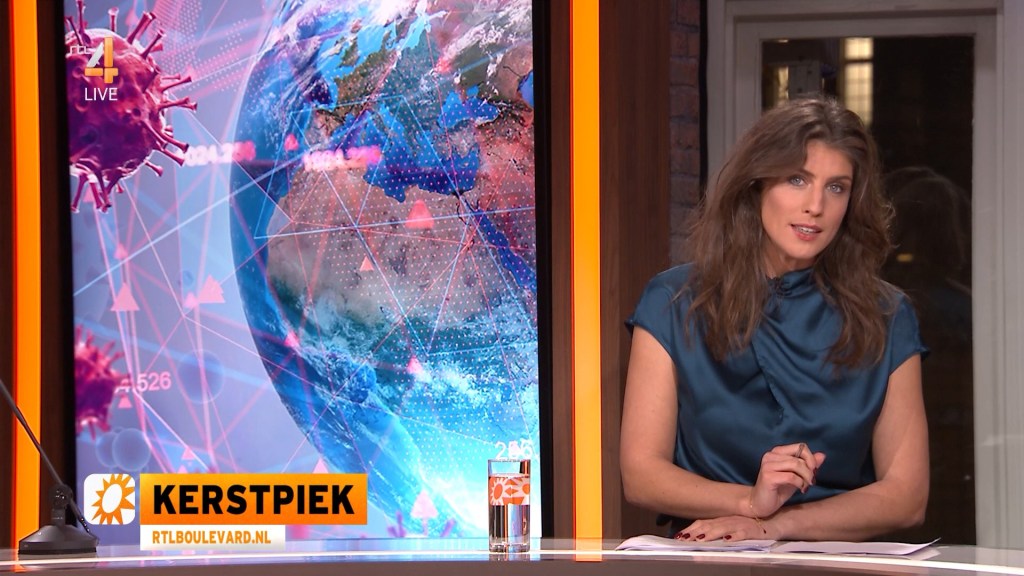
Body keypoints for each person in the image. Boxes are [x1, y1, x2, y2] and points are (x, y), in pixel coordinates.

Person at [620, 96, 929, 542]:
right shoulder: (674, 301)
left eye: (836, 187)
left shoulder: (887, 315)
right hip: (709, 556)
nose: (815, 206)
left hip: (832, 561)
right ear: (756, 184)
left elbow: (907, 496)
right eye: (797, 179)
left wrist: (772, 525)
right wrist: (749, 502)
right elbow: (641, 475)